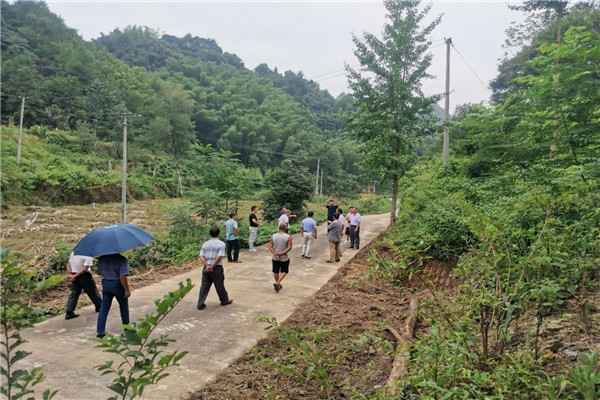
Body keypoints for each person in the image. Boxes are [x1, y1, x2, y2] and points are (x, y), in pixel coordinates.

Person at [197, 227, 234, 310]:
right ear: (219, 233)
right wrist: (212, 266)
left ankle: (200, 303)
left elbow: (201, 255)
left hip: (206, 268)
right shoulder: (221, 244)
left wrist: (207, 265)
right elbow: (219, 256)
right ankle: (224, 300)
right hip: (216, 267)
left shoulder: (205, 244)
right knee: (219, 285)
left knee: (204, 286)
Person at [96, 253, 131, 338]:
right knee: (123, 306)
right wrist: (126, 289)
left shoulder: (101, 258)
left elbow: (98, 272)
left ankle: (100, 332)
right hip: (117, 284)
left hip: (106, 283)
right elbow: (122, 276)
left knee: (104, 308)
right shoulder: (121, 259)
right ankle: (126, 327)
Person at [64, 251, 102, 320]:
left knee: (74, 293)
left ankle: (69, 312)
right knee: (92, 291)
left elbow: (68, 264)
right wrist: (75, 275)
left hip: (74, 275)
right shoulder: (88, 254)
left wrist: (71, 275)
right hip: (84, 276)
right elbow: (85, 268)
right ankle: (99, 306)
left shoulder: (73, 252)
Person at [269, 224, 293, 292]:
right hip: (284, 257)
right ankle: (277, 283)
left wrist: (275, 254)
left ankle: (278, 284)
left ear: (278, 228)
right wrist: (280, 254)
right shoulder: (288, 237)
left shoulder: (273, 236)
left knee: (275, 271)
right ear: (285, 229)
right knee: (284, 271)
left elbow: (270, 246)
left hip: (275, 257)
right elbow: (289, 247)